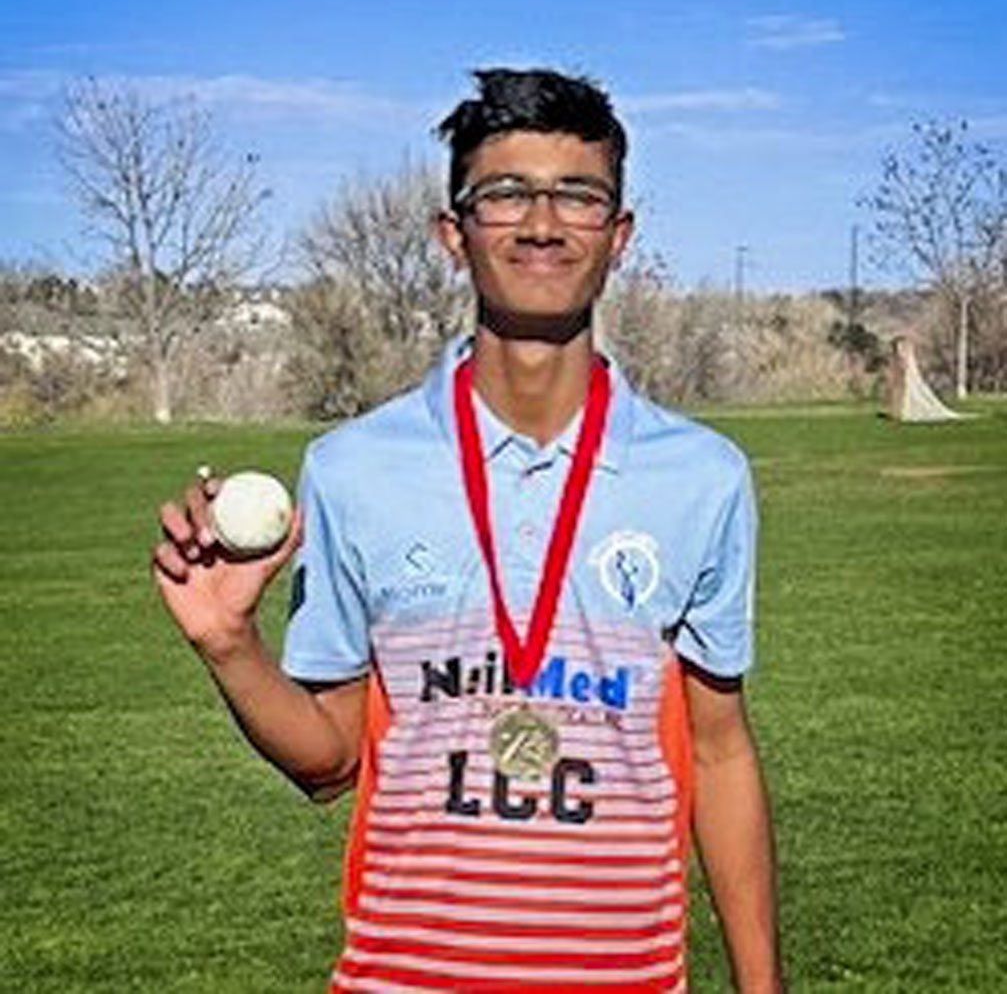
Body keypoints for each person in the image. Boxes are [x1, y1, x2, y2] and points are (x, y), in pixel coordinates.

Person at [154, 67, 783, 993]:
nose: (541, 222)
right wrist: (228, 645)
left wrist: (761, 987)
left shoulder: (703, 478)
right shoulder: (351, 468)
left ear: (619, 236)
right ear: (452, 235)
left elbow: (720, 747)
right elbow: (328, 763)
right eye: (504, 194)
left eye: (577, 194)